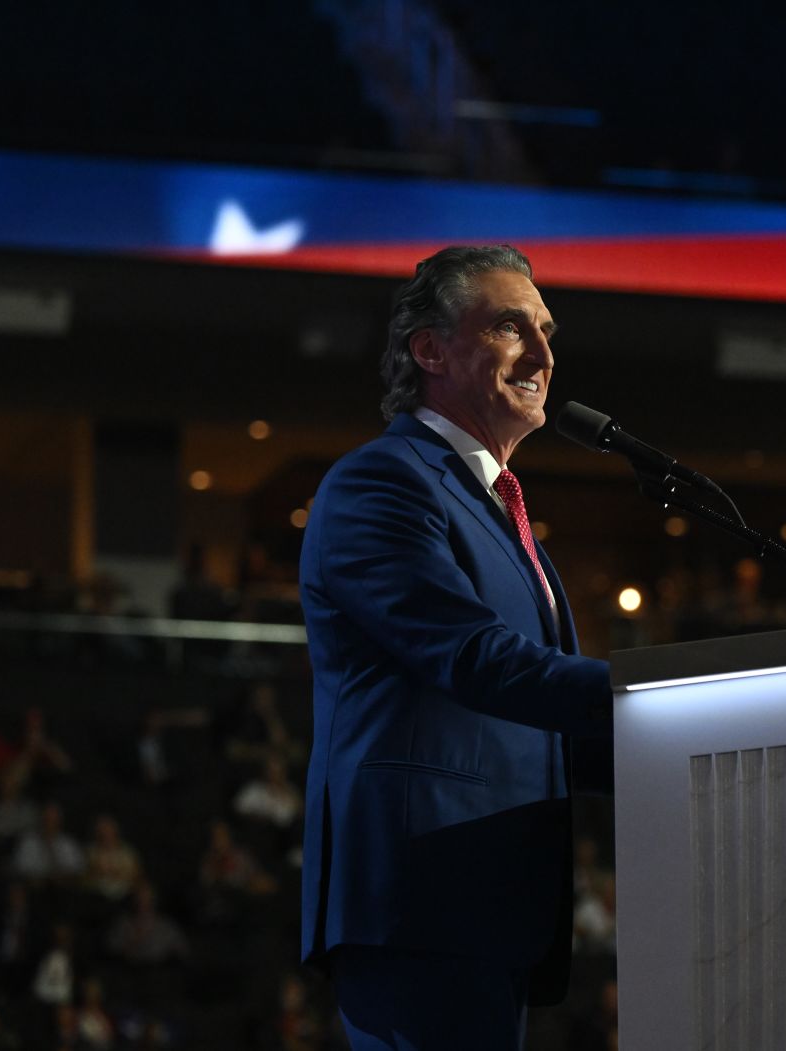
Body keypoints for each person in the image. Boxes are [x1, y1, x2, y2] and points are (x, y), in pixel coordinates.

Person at [299, 244, 612, 1050]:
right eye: (512, 326)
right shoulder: (381, 483)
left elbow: (552, 732)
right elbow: (474, 658)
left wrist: (704, 739)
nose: (543, 354)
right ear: (430, 349)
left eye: (546, 330)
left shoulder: (505, 516)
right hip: (422, 898)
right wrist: (657, 698)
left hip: (496, 904)